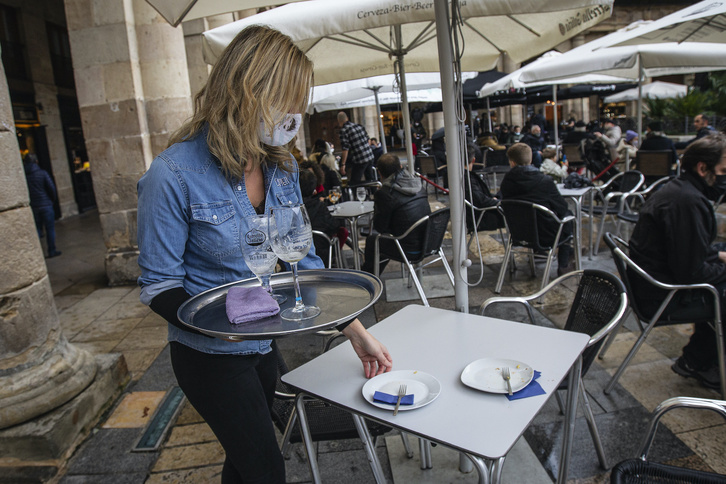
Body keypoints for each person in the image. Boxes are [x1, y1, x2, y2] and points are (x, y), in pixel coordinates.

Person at [136, 26, 392, 484]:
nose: (295, 114)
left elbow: (303, 261)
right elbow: (158, 286)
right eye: (287, 100)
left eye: (299, 102)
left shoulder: (282, 164)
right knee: (267, 468)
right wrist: (224, 318)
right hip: (208, 355)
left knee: (245, 460)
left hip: (265, 343)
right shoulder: (172, 174)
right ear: (246, 91)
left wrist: (355, 331)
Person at [629, 134, 726, 390]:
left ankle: (698, 359)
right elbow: (691, 273)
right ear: (703, 168)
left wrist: (717, 255)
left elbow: (683, 251)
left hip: (655, 282)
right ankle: (703, 363)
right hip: (663, 296)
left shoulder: (678, 189)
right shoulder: (687, 202)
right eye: (723, 171)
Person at [500, 143, 574, 276]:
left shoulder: (506, 182)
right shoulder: (544, 180)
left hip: (518, 233)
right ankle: (563, 264)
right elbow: (562, 207)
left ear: (511, 162)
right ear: (531, 160)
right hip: (547, 234)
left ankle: (544, 252)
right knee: (568, 216)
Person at [362, 153, 430, 275]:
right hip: (429, 242)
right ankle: (371, 277)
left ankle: (368, 280)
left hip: (409, 249)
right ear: (400, 166)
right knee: (383, 240)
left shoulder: (385, 193)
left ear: (379, 172)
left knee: (373, 241)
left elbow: (380, 227)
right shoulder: (418, 184)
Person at [299, 170, 348, 265]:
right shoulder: (319, 206)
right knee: (342, 232)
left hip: (297, 254)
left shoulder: (290, 208)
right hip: (320, 252)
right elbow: (333, 226)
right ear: (314, 189)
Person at [23, 153, 61, 258]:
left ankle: (37, 254)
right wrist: (51, 200)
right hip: (46, 204)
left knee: (37, 230)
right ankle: (51, 250)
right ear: (36, 162)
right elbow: (51, 188)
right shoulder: (42, 173)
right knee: (50, 229)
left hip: (34, 206)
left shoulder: (24, 176)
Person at [463, 141, 502, 233]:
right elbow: (479, 200)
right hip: (481, 216)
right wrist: (498, 202)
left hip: (475, 213)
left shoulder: (462, 176)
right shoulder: (467, 178)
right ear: (473, 160)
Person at [337, 111, 376, 184]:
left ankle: (356, 194)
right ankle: (374, 193)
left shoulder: (343, 130)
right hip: (370, 155)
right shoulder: (359, 126)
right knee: (371, 179)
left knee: (355, 182)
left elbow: (345, 149)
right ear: (347, 118)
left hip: (360, 159)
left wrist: (343, 164)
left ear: (339, 121)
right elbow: (368, 140)